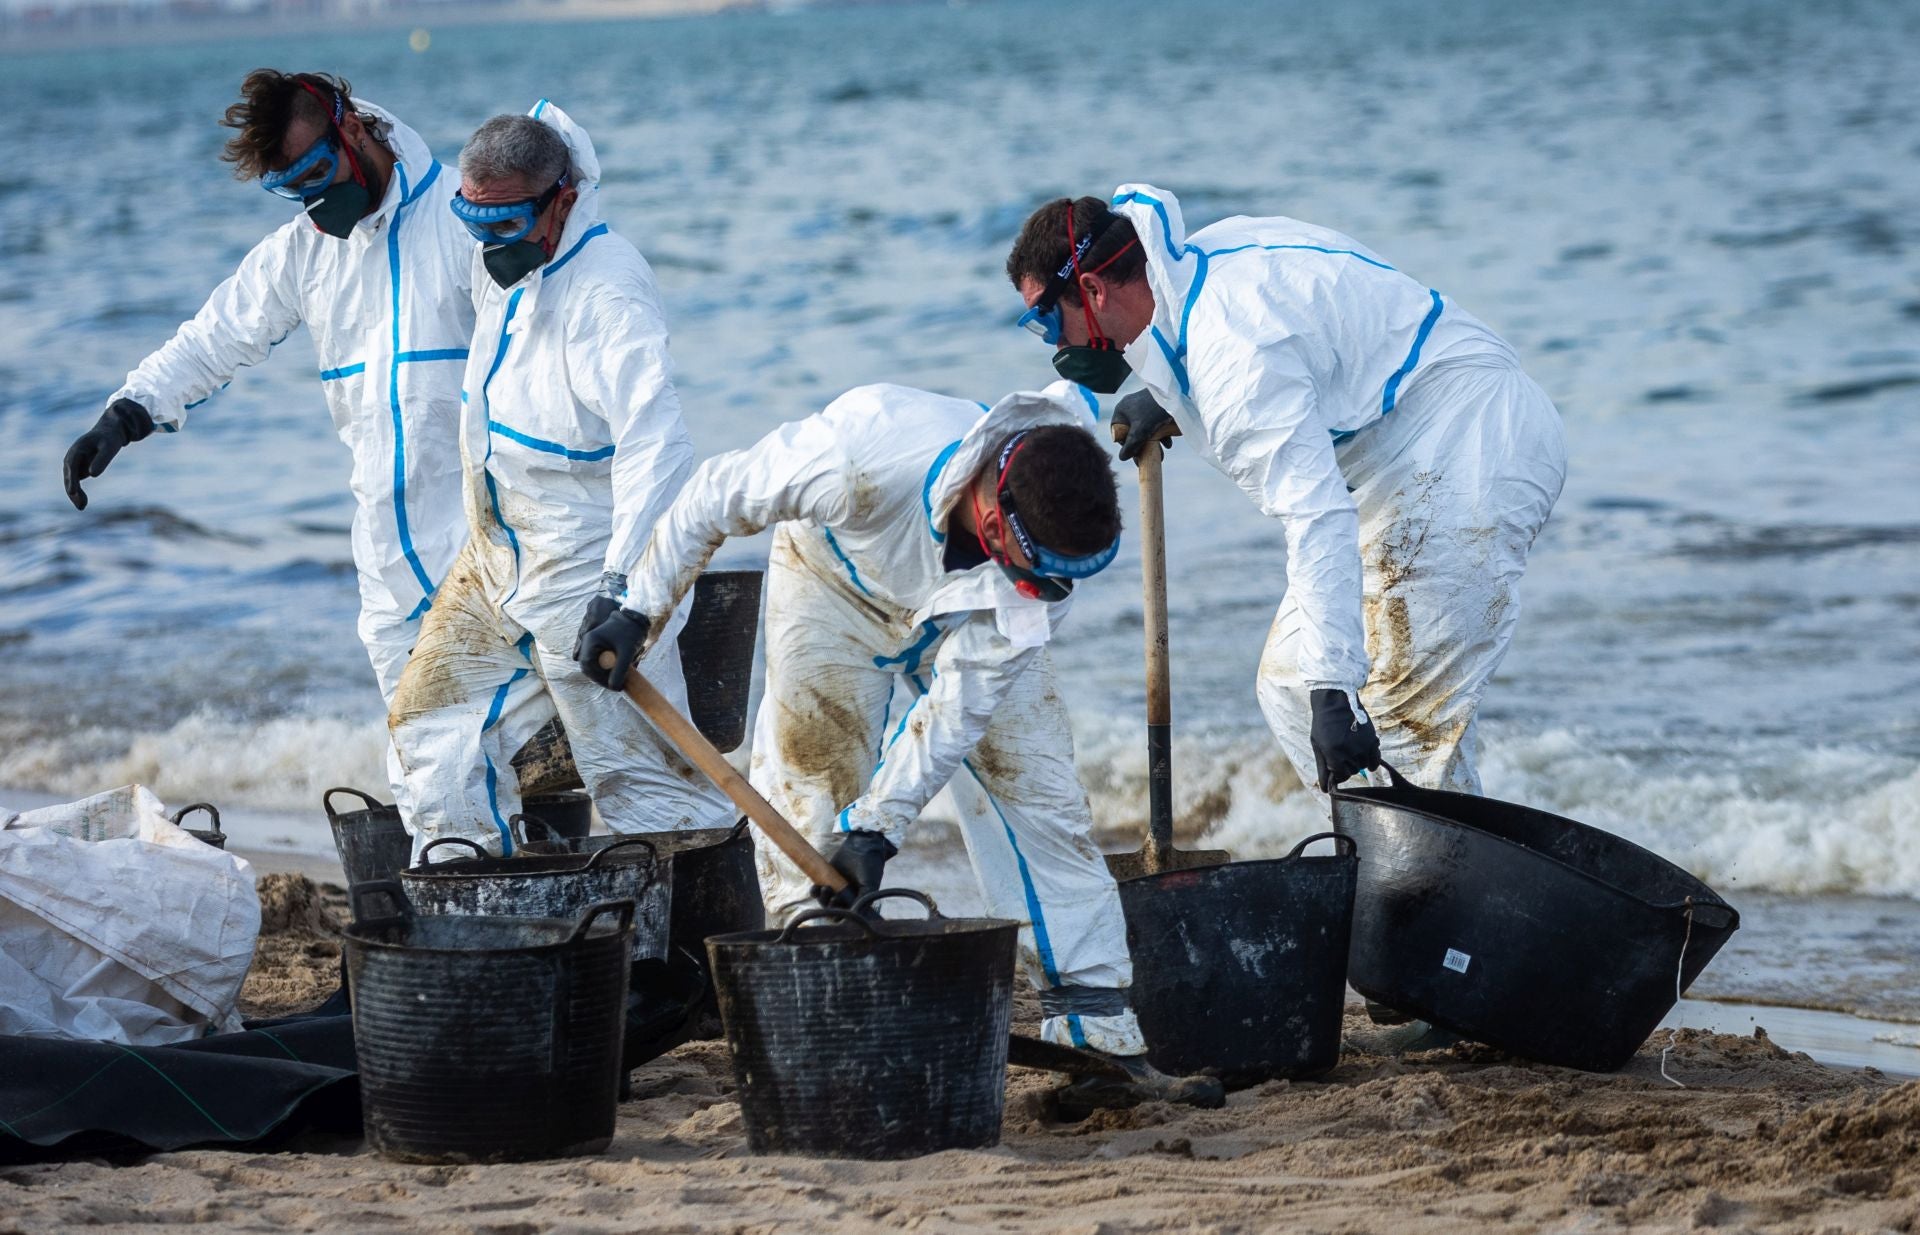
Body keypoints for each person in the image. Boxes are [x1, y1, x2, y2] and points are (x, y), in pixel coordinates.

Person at [574, 379, 1223, 1110]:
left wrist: (879, 831)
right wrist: (638, 607)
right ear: (993, 510)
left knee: (1040, 798)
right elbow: (712, 495)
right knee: (809, 788)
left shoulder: (1033, 578)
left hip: (966, 612)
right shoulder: (860, 455)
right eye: (1041, 574)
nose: (1048, 594)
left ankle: (1101, 1035)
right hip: (834, 588)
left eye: (1063, 583)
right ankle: (817, 1023)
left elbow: (954, 715)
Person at [1006, 186, 1567, 797]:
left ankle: (1438, 881)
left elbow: (1316, 514)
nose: (1056, 346)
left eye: (1046, 320)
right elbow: (1296, 358)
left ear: (1091, 290)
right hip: (1405, 454)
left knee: (1391, 717)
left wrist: (1337, 685)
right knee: (1290, 690)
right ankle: (1412, 865)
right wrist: (1169, 390)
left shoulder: (1234, 355)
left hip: (1470, 447)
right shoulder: (1201, 268)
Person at [61, 70, 472, 801]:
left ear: (353, 129)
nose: (314, 199)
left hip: (486, 551)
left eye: (317, 172)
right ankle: (475, 904)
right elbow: (215, 337)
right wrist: (125, 414)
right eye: (291, 187)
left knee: (508, 752)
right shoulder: (304, 254)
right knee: (429, 770)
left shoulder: (461, 218)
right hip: (389, 567)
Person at [386, 100, 730, 858]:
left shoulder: (605, 292)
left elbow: (657, 443)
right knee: (427, 726)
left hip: (583, 562)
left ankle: (695, 954)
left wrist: (623, 591)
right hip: (495, 555)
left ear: (562, 202)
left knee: (641, 780)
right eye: (471, 224)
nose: (486, 246)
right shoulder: (506, 263)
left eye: (504, 226)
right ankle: (476, 916)